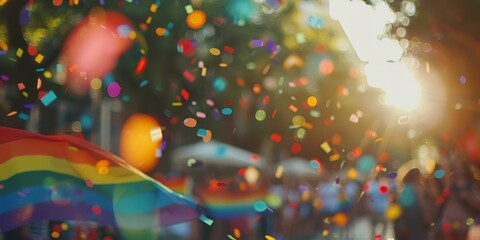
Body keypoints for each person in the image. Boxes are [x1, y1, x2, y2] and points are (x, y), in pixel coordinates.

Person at [393, 168, 435, 240]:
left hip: (404, 214)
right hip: (415, 213)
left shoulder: (404, 186)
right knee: (419, 235)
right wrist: (427, 216)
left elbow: (399, 201)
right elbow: (421, 201)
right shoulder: (416, 186)